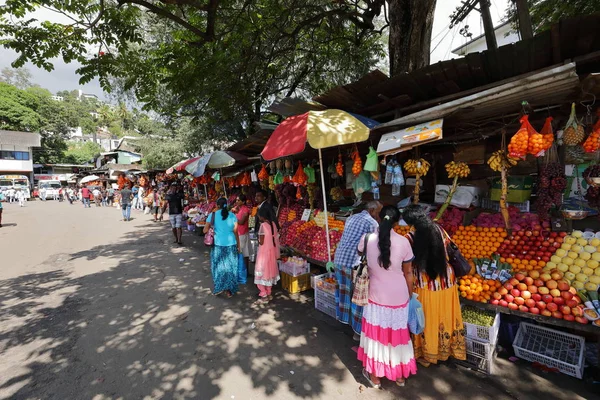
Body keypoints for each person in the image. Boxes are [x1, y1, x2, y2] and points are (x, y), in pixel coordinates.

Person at [357, 206, 417, 388]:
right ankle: (399, 377)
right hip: (399, 296)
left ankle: (375, 378)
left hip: (375, 296)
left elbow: (361, 254)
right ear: (397, 222)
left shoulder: (367, 239)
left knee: (377, 337)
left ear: (379, 217)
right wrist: (410, 295)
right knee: (398, 336)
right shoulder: (404, 242)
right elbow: (408, 273)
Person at [402, 204, 466, 367]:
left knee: (428, 319)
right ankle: (446, 350)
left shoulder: (409, 237)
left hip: (425, 285)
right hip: (447, 281)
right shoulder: (439, 229)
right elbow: (450, 249)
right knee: (445, 316)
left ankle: (428, 354)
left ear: (411, 222)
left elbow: (406, 264)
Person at [333, 201, 382, 340]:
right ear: (372, 210)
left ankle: (344, 320)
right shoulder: (372, 223)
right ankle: (357, 333)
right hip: (353, 263)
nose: (379, 215)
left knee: (344, 292)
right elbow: (374, 246)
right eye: (378, 212)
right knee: (357, 297)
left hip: (339, 259)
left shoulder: (351, 217)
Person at [203, 197, 240, 298]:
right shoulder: (232, 215)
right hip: (231, 244)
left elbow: (205, 230)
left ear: (217, 205)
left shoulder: (213, 215)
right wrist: (239, 245)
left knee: (218, 267)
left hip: (218, 245)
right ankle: (229, 290)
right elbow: (236, 232)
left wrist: (212, 228)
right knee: (231, 267)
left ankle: (219, 287)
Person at [254, 207, 280, 302]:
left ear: (262, 216)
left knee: (261, 272)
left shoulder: (263, 225)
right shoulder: (273, 224)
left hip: (263, 253)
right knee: (269, 272)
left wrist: (258, 238)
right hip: (271, 252)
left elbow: (261, 242)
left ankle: (263, 293)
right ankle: (268, 291)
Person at [233, 194, 251, 270]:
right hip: (238, 233)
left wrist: (233, 217)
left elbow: (241, 222)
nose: (236, 202)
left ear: (243, 202)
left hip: (242, 234)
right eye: (236, 200)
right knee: (242, 252)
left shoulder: (245, 210)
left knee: (243, 253)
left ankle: (244, 270)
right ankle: (243, 270)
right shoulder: (238, 208)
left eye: (238, 200)